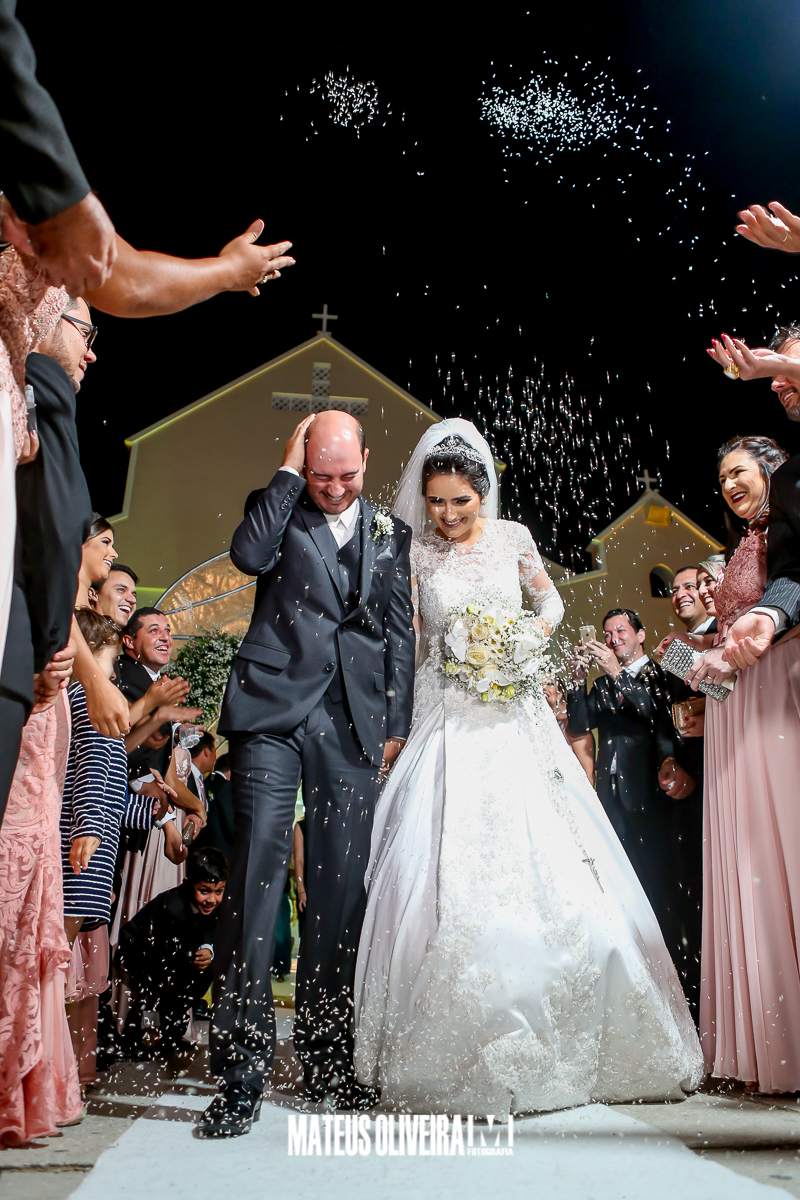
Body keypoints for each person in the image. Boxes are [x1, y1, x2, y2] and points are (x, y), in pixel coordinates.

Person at [353, 421, 702, 1118]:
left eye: (460, 501)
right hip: (447, 714)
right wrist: (403, 711)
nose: (447, 514)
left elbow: (550, 601)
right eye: (436, 501)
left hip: (513, 715)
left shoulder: (513, 538)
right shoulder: (415, 549)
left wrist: (521, 641)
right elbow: (412, 638)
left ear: (482, 494)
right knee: (434, 860)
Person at [201, 410, 416, 1138]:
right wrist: (288, 471)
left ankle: (328, 1058)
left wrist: (395, 723)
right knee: (257, 869)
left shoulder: (391, 532)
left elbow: (397, 631)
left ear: (366, 461)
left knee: (338, 887)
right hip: (270, 711)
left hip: (351, 722)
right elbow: (247, 556)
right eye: (321, 475)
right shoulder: (280, 506)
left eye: (346, 475)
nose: (334, 488)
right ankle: (240, 1068)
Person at [688, 399, 800, 1096]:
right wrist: (691, 662)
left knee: (778, 850)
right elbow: (726, 645)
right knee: (745, 863)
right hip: (736, 705)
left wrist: (727, 651)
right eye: (723, 476)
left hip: (776, 696)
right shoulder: (740, 545)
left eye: (741, 472)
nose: (731, 484)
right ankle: (759, 1042)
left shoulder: (782, 535)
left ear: (772, 470)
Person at [566, 607, 699, 1010]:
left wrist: (617, 673)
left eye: (621, 631)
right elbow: (579, 723)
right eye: (607, 634)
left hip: (650, 796)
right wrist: (577, 680)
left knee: (661, 889)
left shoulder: (659, 674)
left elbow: (656, 716)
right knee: (623, 891)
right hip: (610, 800)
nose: (613, 639)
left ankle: (684, 981)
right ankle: (643, 984)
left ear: (640, 635)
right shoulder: (603, 683)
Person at [119, 847, 228, 1060]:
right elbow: (158, 956)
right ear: (187, 884)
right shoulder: (172, 908)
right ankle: (133, 1038)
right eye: (204, 891)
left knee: (199, 974)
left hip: (180, 953)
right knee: (155, 990)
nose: (212, 899)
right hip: (140, 948)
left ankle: (173, 1031)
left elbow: (213, 928)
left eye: (219, 891)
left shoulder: (216, 907)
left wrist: (208, 949)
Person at [542, 674, 594, 782]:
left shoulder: (571, 724)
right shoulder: (538, 724)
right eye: (540, 685)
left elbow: (588, 772)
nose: (544, 688)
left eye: (550, 684)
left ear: (559, 693)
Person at [195, 752, 234, 864]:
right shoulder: (225, 786)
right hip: (222, 851)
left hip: (203, 846)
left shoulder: (205, 782)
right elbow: (230, 823)